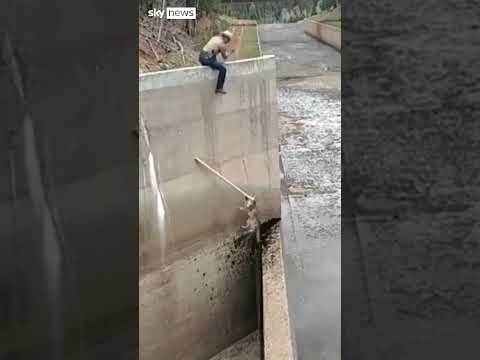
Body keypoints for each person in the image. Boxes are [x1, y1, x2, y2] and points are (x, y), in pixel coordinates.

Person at [199, 30, 234, 94]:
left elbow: (213, 51)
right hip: (206, 59)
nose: (228, 42)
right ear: (226, 38)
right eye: (228, 40)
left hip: (201, 57)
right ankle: (219, 88)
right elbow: (225, 57)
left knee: (215, 59)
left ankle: (214, 64)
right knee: (223, 69)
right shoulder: (222, 44)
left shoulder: (214, 38)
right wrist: (230, 53)